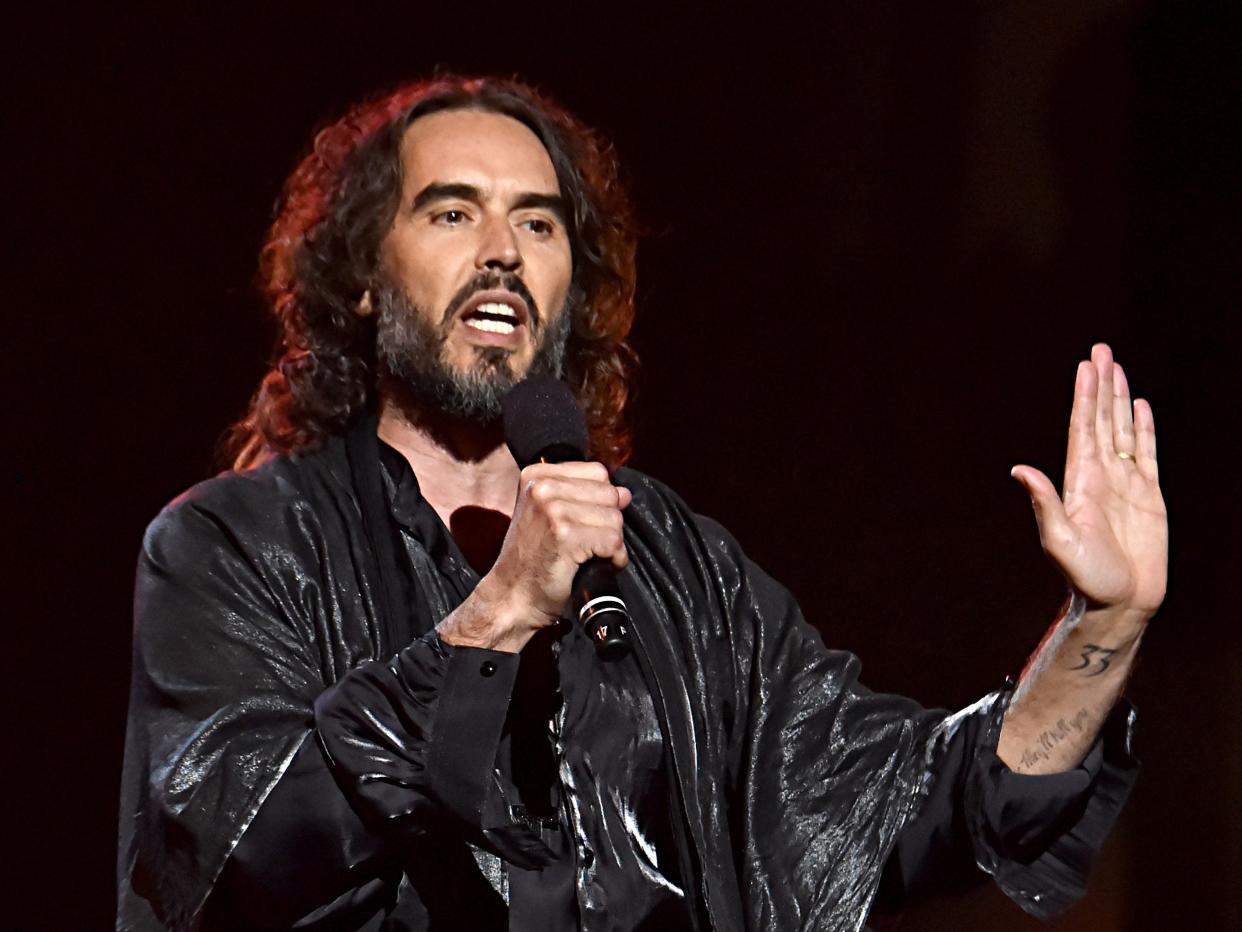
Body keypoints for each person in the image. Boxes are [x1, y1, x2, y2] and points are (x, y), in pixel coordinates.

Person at [116, 75, 1166, 931]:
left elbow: (902, 805)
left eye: (538, 221)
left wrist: (1103, 626)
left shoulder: (670, 561)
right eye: (451, 211)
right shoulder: (234, 544)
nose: (503, 250)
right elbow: (238, 849)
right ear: (361, 277)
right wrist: (496, 616)